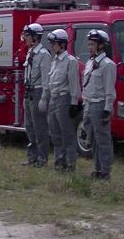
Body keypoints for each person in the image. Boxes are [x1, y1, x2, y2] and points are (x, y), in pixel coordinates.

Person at [82, 29, 117, 180]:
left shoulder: (108, 65)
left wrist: (107, 109)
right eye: (89, 44)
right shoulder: (90, 62)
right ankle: (97, 169)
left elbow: (110, 89)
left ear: (101, 46)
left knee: (103, 140)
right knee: (92, 139)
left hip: (100, 104)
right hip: (88, 104)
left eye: (93, 44)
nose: (89, 47)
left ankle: (105, 171)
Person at [46, 29, 81, 172]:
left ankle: (70, 163)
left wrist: (74, 103)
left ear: (61, 44)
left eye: (53, 43)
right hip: (53, 99)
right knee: (55, 133)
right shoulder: (54, 60)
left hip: (64, 98)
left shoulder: (70, 61)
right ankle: (59, 161)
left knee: (67, 133)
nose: (51, 46)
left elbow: (74, 84)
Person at [22, 23, 52, 168]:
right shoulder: (30, 52)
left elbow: (46, 79)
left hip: (38, 91)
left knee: (39, 126)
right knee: (29, 126)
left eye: (27, 36)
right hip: (28, 91)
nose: (25, 39)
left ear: (35, 37)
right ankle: (32, 156)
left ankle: (42, 158)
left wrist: (44, 98)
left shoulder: (44, 55)